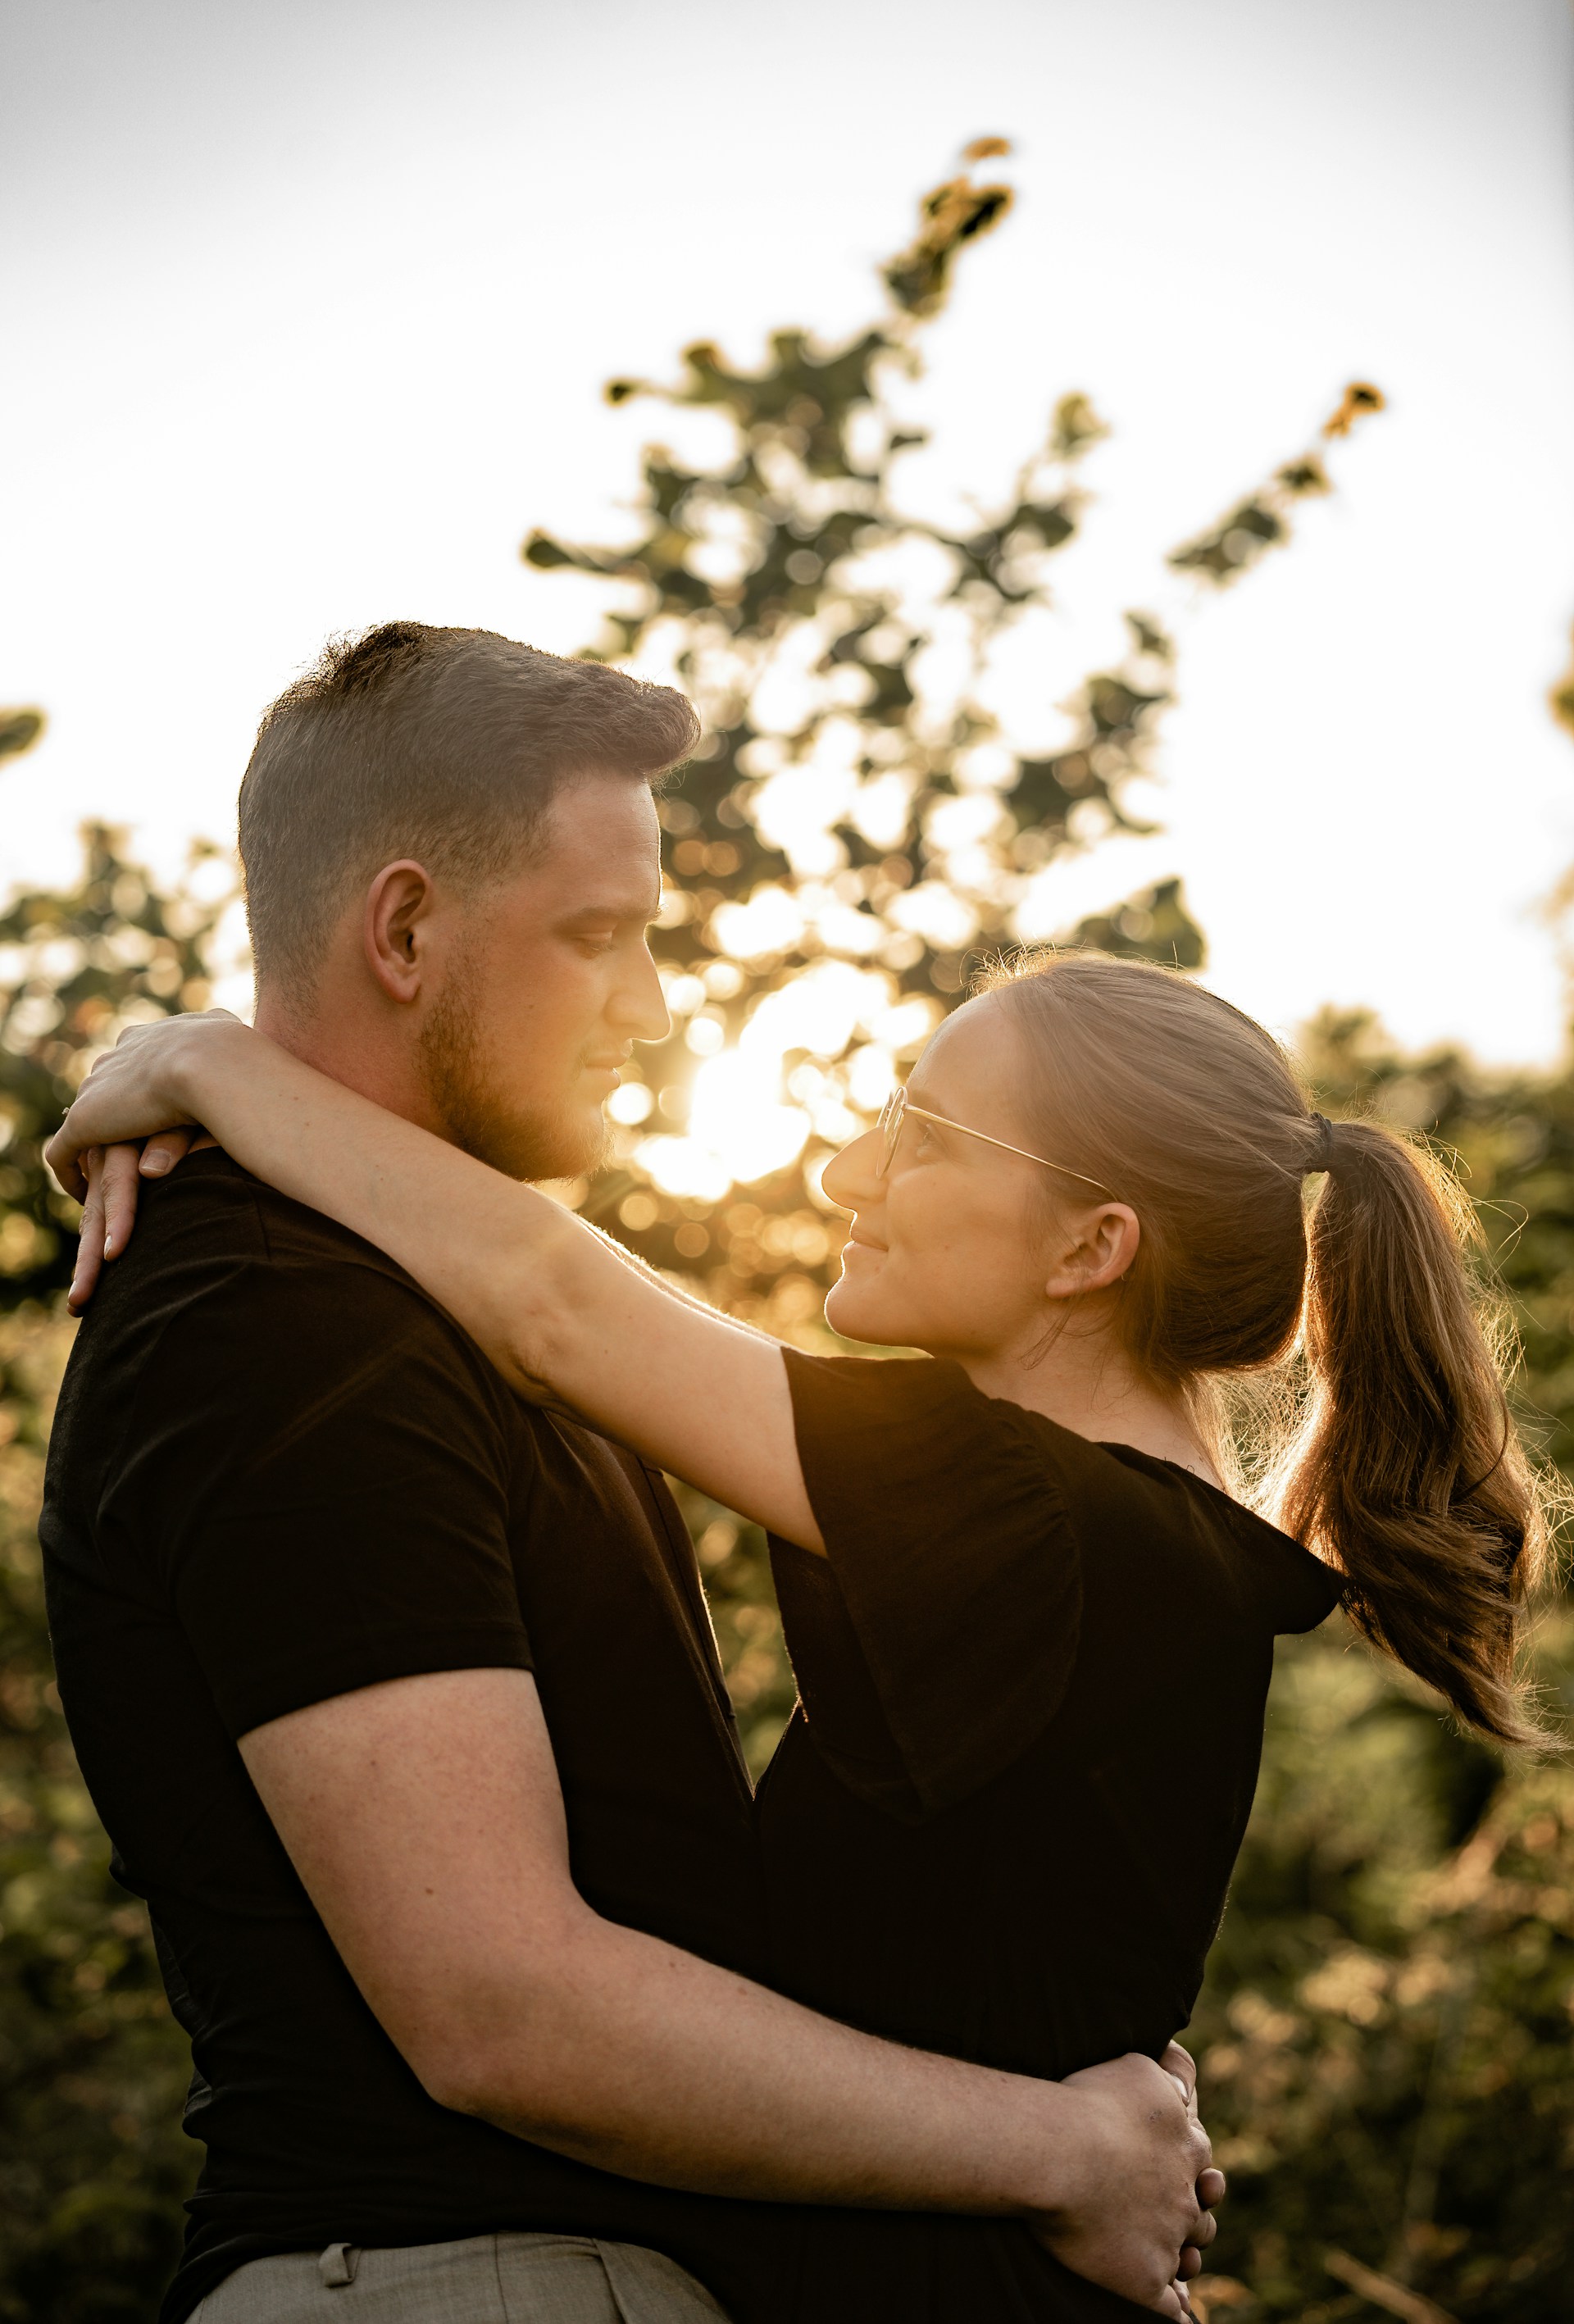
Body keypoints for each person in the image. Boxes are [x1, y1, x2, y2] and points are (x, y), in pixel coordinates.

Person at [54, 672, 1552, 2321]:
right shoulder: (1124, 1541)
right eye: (599, 934)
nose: (850, 1174)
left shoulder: (1036, 1515)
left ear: (1088, 1247)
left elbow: (562, 1309)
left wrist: (212, 1063)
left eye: (922, 1137)